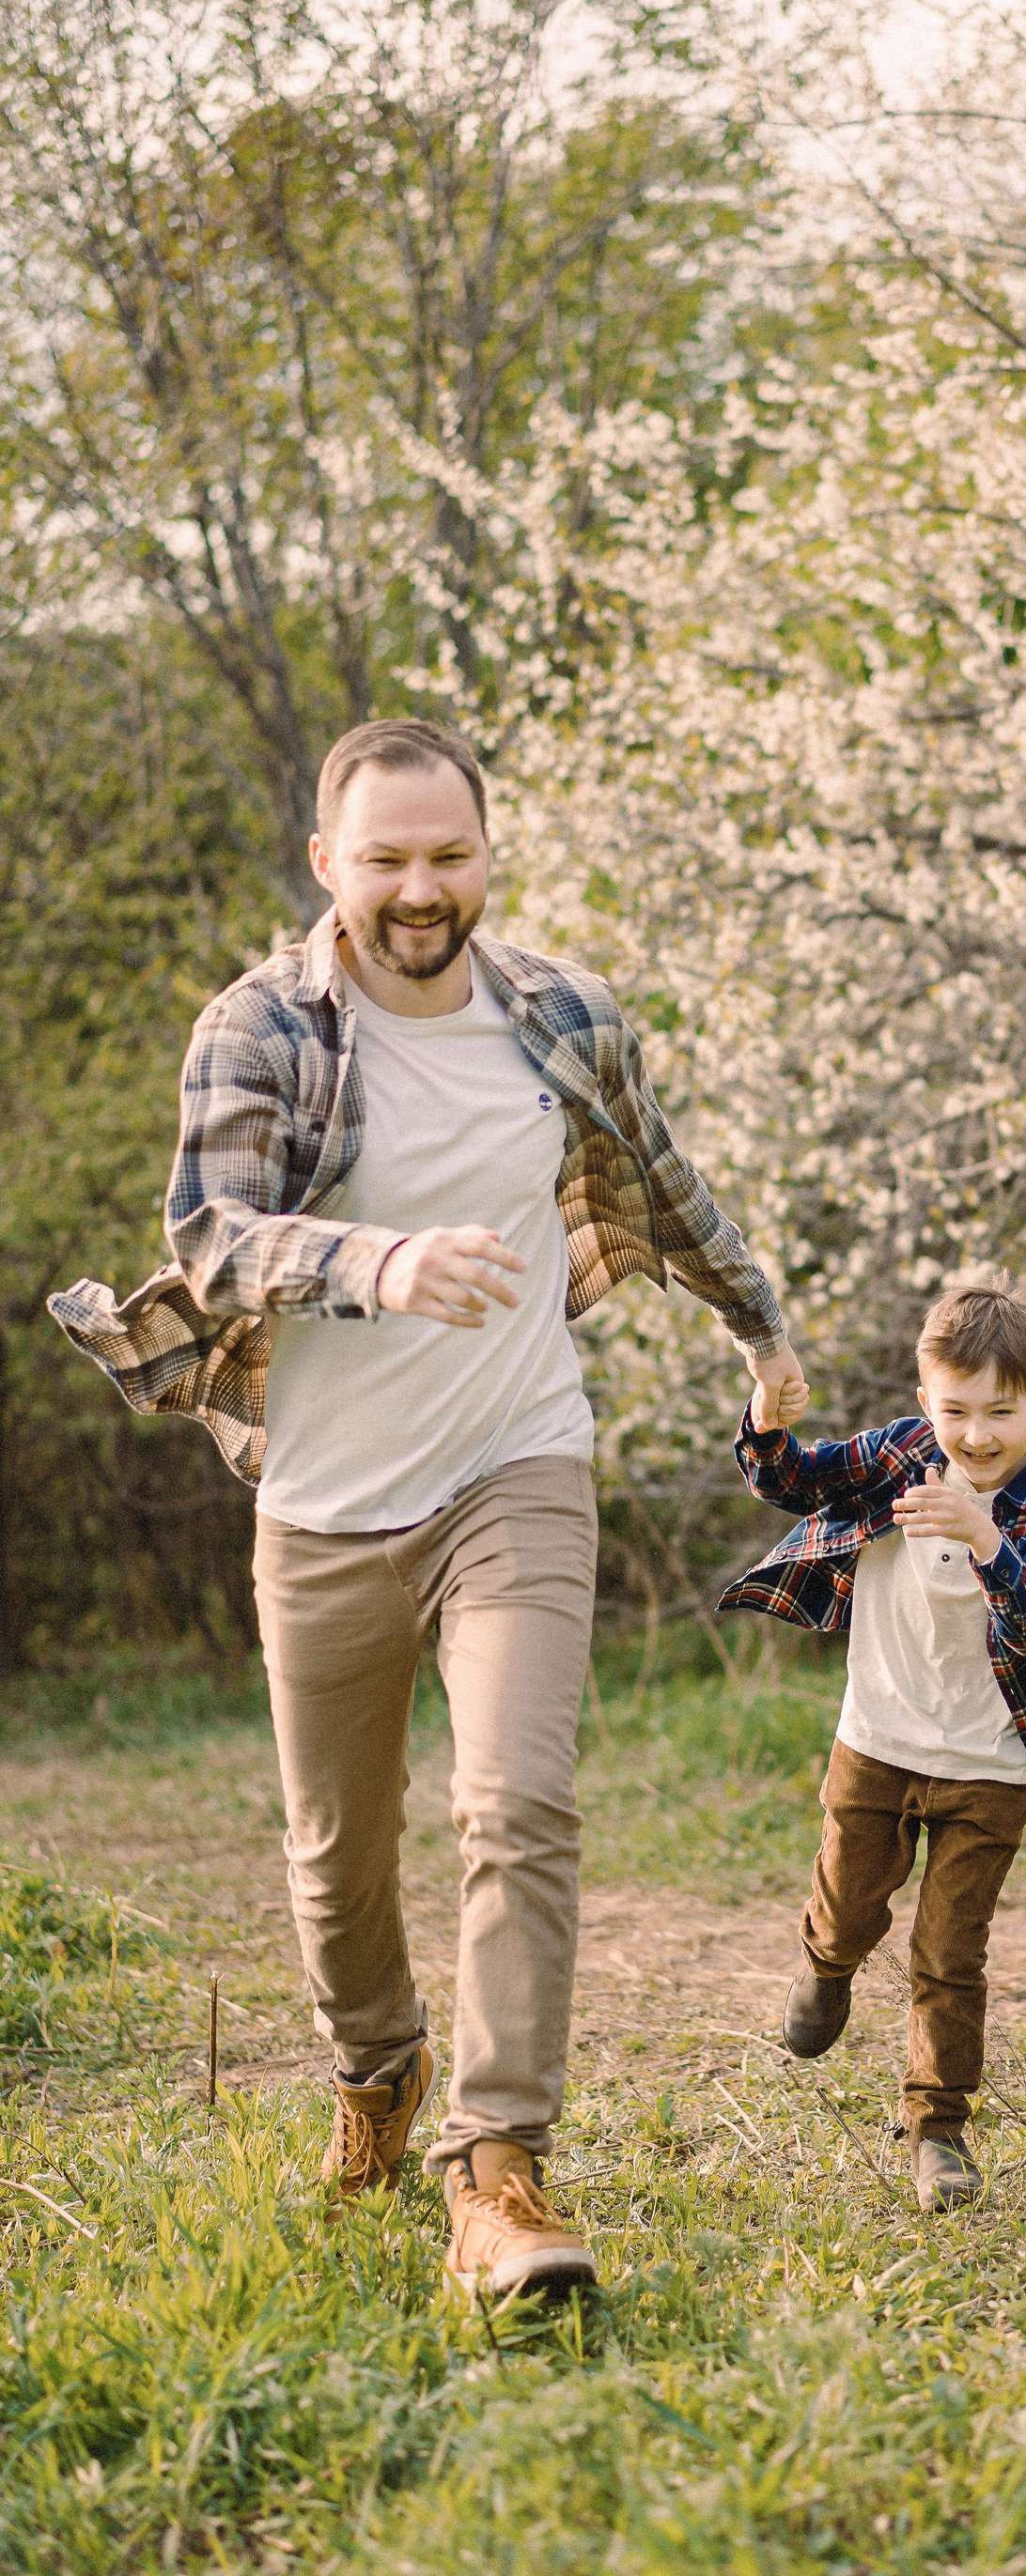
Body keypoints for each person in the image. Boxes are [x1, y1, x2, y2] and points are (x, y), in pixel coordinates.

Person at [51, 718, 807, 2299]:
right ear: (327, 862)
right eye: (385, 858)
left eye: (448, 855)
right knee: (336, 1857)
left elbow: (664, 1177)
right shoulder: (258, 1026)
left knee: (517, 1806)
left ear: (487, 854)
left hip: (514, 1469)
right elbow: (211, 1238)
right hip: (325, 1504)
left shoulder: (563, 1015)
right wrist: (377, 1261)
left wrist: (760, 1327)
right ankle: (377, 2069)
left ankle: (500, 2168)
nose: (419, 888)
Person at [718, 1271, 1026, 2210]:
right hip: (878, 1740)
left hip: (988, 1765)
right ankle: (827, 1963)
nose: (976, 1435)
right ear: (924, 1397)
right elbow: (795, 1481)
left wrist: (985, 1540)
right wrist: (765, 1423)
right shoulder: (901, 1453)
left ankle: (937, 2129)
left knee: (950, 1954)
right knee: (851, 1906)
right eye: (956, 1409)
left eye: (1001, 1413)